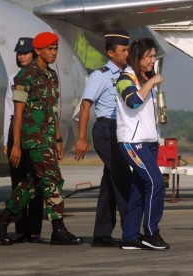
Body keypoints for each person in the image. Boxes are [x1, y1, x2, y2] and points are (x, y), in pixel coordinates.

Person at [0, 32, 83, 246]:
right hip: (33, 139)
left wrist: (58, 139)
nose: (53, 53)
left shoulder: (51, 76)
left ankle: (1, 220)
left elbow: (52, 110)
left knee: (34, 183)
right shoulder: (24, 77)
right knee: (53, 180)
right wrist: (16, 145)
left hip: (47, 138)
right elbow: (18, 113)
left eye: (55, 49)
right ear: (37, 51)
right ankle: (59, 229)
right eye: (50, 49)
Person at [74, 30, 132, 247]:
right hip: (106, 129)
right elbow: (86, 104)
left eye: (128, 49)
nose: (127, 53)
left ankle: (101, 234)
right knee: (123, 179)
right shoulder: (100, 75)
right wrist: (81, 137)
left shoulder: (129, 73)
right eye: (123, 50)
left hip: (122, 129)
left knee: (110, 182)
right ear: (110, 52)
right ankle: (131, 231)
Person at [115, 38, 169, 250]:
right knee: (156, 182)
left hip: (148, 142)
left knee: (139, 188)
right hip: (132, 142)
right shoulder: (125, 78)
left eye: (154, 56)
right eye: (149, 56)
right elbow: (133, 101)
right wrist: (151, 82)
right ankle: (151, 232)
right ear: (138, 58)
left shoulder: (145, 79)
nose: (152, 60)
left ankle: (130, 236)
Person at [3, 37, 44, 243]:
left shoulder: (42, 76)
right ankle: (20, 229)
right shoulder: (14, 78)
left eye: (25, 52)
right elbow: (9, 111)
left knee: (36, 182)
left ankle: (34, 229)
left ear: (34, 54)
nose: (21, 56)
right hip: (16, 131)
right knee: (18, 182)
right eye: (19, 53)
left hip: (35, 133)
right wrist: (7, 141)